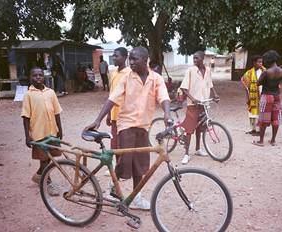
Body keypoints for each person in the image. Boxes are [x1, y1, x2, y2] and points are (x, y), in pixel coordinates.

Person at [85, 46, 171, 210]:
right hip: (126, 125)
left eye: (134, 59)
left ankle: (136, 197)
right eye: (129, 58)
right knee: (125, 163)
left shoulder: (156, 79)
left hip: (144, 126)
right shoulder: (126, 78)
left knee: (139, 165)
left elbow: (164, 97)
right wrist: (98, 120)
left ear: (145, 61)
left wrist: (167, 114)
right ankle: (113, 187)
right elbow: (112, 99)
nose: (130, 62)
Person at [21, 67, 63, 195]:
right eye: (35, 75)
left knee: (50, 157)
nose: (38, 77)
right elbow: (26, 117)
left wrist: (60, 130)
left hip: (52, 131)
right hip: (39, 133)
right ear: (30, 78)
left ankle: (39, 175)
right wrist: (27, 136)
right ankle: (47, 182)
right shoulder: (28, 95)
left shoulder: (50, 92)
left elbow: (57, 112)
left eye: (40, 75)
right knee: (44, 159)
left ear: (44, 77)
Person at [180, 51, 219, 165]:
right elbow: (184, 88)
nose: (195, 60)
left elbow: (210, 84)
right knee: (189, 130)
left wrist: (215, 94)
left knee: (200, 128)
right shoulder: (191, 71)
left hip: (203, 104)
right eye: (194, 58)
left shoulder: (207, 70)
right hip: (193, 105)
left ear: (202, 59)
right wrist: (193, 99)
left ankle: (197, 149)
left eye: (197, 58)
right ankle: (186, 154)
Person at [253, 50, 282, 147]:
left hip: (266, 96)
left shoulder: (266, 72)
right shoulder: (281, 70)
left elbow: (258, 83)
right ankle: (273, 140)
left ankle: (261, 141)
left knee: (263, 119)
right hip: (277, 96)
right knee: (275, 119)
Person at [106, 47, 130, 160]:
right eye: (113, 56)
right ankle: (116, 167)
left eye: (116, 56)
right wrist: (108, 114)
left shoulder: (130, 73)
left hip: (125, 114)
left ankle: (123, 168)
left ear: (125, 58)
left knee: (124, 143)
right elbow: (111, 94)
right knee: (114, 142)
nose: (114, 58)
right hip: (114, 114)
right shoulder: (113, 73)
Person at [241, 55, 265, 136]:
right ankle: (253, 129)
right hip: (252, 96)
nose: (261, 63)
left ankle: (259, 130)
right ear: (254, 63)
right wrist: (247, 97)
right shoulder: (249, 73)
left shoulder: (264, 71)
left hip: (262, 95)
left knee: (260, 113)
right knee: (251, 113)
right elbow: (246, 86)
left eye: (261, 62)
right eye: (259, 62)